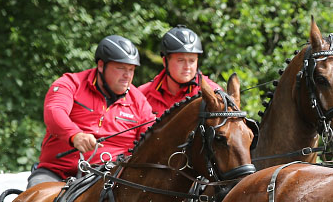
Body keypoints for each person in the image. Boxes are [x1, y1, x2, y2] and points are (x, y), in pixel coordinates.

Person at [28, 35, 155, 188]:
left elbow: (153, 137)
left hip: (112, 179)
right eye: (121, 68)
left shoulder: (138, 101)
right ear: (101, 65)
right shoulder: (70, 84)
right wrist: (74, 135)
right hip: (57, 174)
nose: (127, 75)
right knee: (37, 198)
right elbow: (54, 111)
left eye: (131, 69)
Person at [138, 25, 222, 117]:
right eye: (180, 60)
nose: (187, 67)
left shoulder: (214, 94)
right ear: (165, 61)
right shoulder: (142, 94)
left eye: (192, 61)